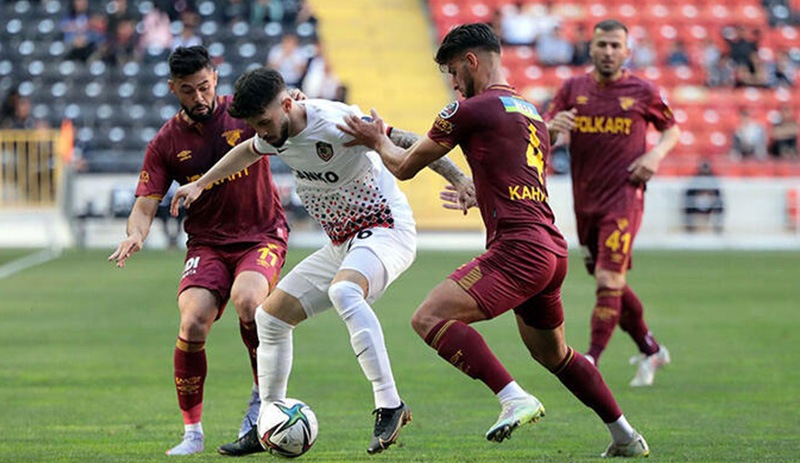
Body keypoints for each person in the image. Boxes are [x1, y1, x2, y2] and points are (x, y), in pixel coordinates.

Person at [340, 22, 650, 458]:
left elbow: (405, 166)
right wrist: (475, 190)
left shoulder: (467, 111)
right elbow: (513, 176)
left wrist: (376, 139)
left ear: (471, 61)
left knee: (428, 318)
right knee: (555, 354)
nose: (452, 84)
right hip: (549, 247)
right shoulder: (529, 111)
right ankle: (624, 435)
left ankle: (513, 397)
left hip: (518, 249)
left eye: (452, 71)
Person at [169, 67, 473, 456]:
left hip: (386, 229)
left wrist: (460, 180)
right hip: (343, 243)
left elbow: (409, 140)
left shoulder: (335, 121)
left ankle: (390, 404)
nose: (261, 132)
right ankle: (267, 420)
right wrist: (200, 182)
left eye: (264, 122)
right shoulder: (273, 132)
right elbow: (247, 150)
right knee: (270, 318)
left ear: (288, 103)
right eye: (255, 125)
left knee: (345, 290)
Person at [108, 46, 290, 456]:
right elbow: (144, 204)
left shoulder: (243, 114)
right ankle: (192, 433)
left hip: (260, 234)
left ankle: (261, 402)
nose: (199, 98)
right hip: (207, 243)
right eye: (188, 91)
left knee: (248, 300)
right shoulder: (166, 143)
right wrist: (135, 234)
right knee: (192, 323)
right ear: (174, 89)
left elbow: (287, 119)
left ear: (216, 78)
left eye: (204, 87)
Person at [544, 19, 680, 387]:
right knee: (609, 281)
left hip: (624, 196)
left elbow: (672, 128)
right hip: (585, 199)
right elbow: (544, 134)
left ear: (627, 52)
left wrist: (654, 156)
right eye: (602, 45)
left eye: (615, 46)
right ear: (591, 48)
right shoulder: (572, 88)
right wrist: (554, 126)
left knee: (608, 277)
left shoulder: (643, 90)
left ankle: (591, 359)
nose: (608, 52)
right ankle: (651, 349)